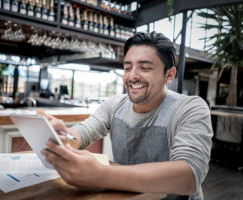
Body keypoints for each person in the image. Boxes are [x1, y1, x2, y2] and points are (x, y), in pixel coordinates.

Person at [41, 32, 213, 200]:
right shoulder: (115, 105)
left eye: (145, 68)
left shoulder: (190, 108)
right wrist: (63, 137)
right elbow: (82, 133)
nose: (132, 76)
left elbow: (189, 176)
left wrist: (101, 175)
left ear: (169, 75)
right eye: (128, 67)